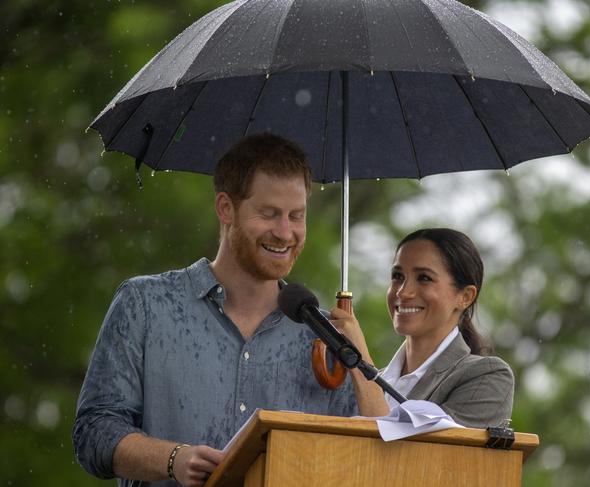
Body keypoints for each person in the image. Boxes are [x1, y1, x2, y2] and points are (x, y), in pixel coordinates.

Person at [73, 133, 356, 487]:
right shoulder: (144, 304)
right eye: (269, 214)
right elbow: (93, 431)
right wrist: (172, 459)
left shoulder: (328, 337)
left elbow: (358, 458)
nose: (285, 233)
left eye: (296, 216)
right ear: (225, 208)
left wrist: (360, 360)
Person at [330, 228, 514, 428]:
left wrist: (359, 362)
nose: (403, 292)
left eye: (424, 278)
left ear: (465, 297)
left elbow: (401, 454)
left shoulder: (486, 376)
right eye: (397, 276)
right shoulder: (368, 382)